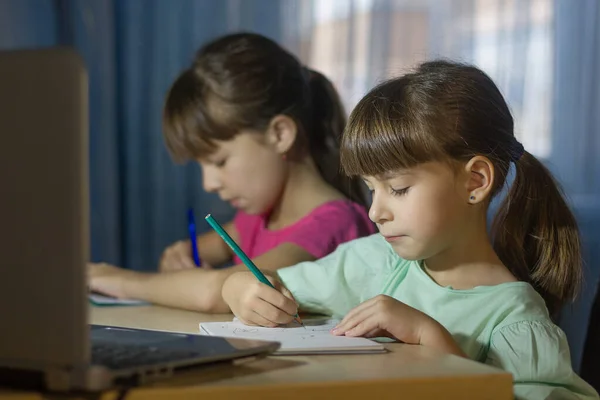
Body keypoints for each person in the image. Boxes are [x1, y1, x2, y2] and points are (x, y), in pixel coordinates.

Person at [222, 60, 599, 399]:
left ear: (476, 181)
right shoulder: (371, 261)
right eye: (372, 189)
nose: (375, 211)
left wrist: (429, 337)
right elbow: (273, 287)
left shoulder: (514, 320)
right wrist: (238, 288)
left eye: (398, 188)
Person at [88, 33, 375, 312]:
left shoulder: (335, 225)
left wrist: (122, 281)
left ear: (279, 134)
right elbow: (196, 251)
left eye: (219, 161)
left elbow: (216, 292)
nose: (208, 184)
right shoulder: (257, 218)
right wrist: (181, 254)